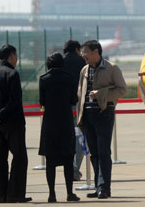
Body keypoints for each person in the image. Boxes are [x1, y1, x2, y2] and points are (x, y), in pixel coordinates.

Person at [76, 40, 127, 199]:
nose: (84, 55)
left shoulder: (112, 68)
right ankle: (99, 186)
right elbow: (81, 94)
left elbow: (122, 89)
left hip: (104, 113)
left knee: (104, 152)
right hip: (88, 116)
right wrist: (80, 117)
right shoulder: (84, 70)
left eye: (86, 52)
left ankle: (104, 188)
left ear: (96, 52)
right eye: (83, 52)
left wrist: (101, 94)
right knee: (94, 153)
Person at [0, 44, 31, 203]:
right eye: (16, 57)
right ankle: (15, 194)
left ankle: (2, 193)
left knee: (0, 158)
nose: (16, 60)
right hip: (13, 122)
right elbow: (15, 100)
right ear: (11, 57)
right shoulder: (12, 74)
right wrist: (0, 115)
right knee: (19, 157)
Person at [38, 52, 80, 202]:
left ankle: (52, 194)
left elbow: (41, 101)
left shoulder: (43, 79)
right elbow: (73, 99)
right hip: (65, 121)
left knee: (50, 161)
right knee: (68, 159)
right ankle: (69, 193)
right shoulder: (69, 78)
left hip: (50, 123)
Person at [62, 40, 87, 181]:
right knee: (80, 137)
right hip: (79, 105)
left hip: (63, 106)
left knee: (67, 138)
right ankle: (74, 169)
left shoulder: (60, 62)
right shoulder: (82, 62)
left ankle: (69, 168)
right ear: (77, 49)